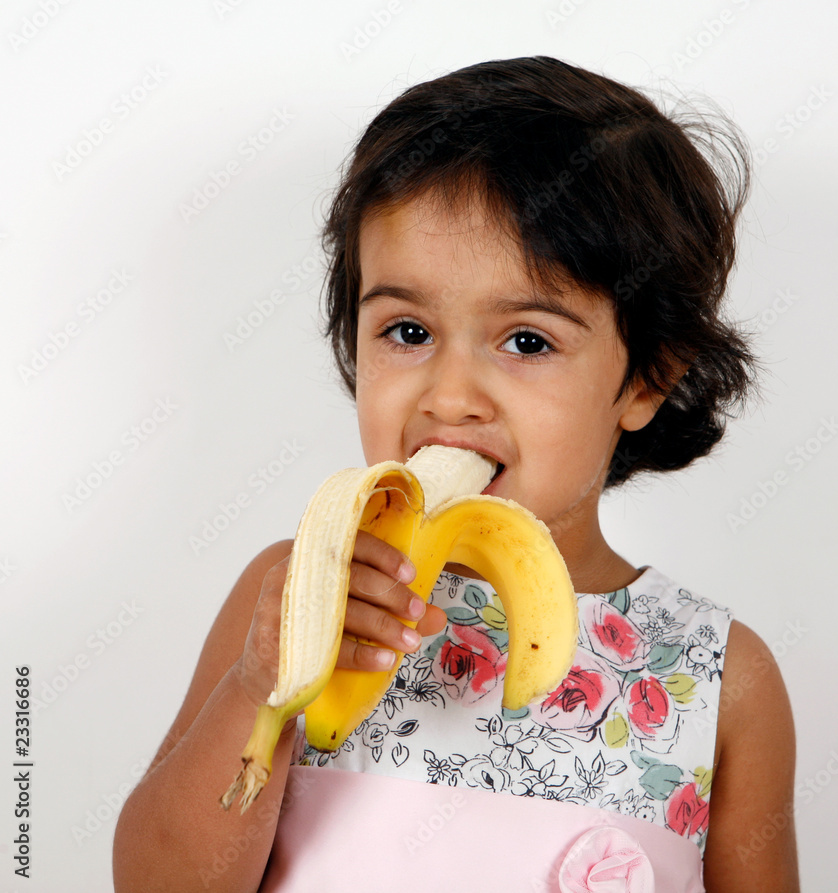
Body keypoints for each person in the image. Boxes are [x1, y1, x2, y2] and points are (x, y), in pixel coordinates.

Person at [113, 55, 799, 892]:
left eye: (527, 341)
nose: (450, 395)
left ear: (647, 379)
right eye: (406, 331)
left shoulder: (720, 677)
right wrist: (264, 682)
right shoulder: (292, 599)